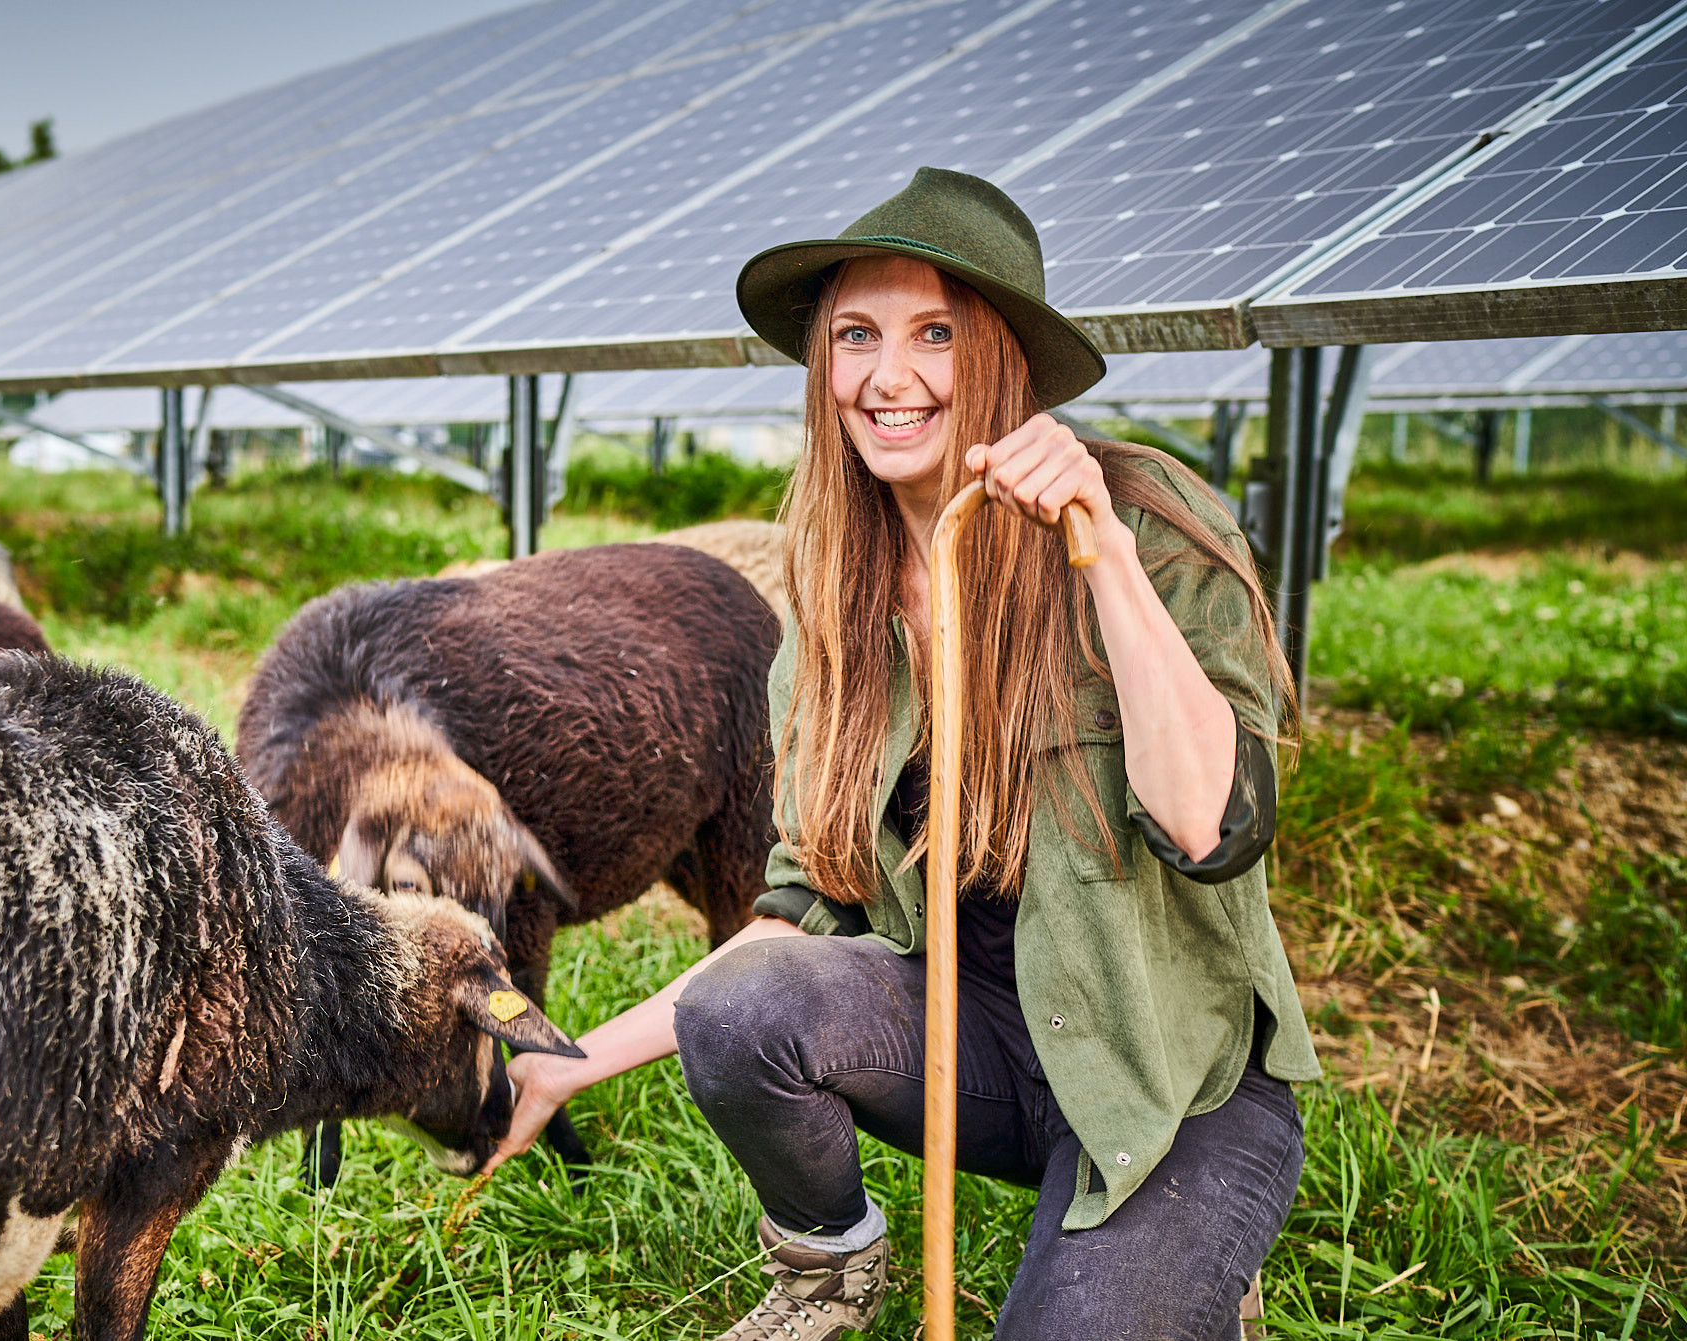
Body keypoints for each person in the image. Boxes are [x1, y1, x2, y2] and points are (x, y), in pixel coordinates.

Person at [483, 167, 1320, 1341]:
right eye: (855, 336)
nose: (889, 377)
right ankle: (828, 1266)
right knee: (743, 1002)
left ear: (1003, 356)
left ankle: (1192, 1265)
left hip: (1175, 1081)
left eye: (934, 333)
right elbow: (794, 917)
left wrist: (1102, 557)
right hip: (970, 1048)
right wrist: (570, 1060)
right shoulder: (835, 612)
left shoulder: (1151, 522)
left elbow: (1207, 823)